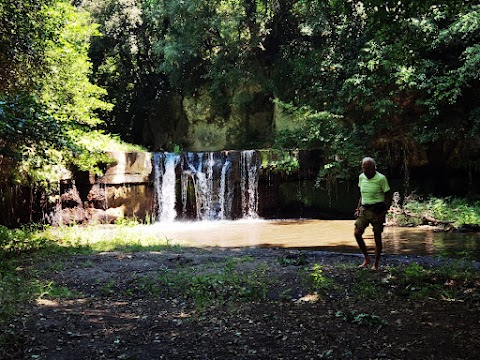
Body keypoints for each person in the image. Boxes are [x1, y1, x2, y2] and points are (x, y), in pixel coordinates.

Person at [354, 157, 392, 270]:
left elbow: (388, 196)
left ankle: (376, 264)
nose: (365, 171)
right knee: (357, 233)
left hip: (377, 210)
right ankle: (366, 258)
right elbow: (362, 195)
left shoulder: (381, 179)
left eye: (368, 168)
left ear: (373, 168)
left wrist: (384, 212)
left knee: (377, 237)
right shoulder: (361, 177)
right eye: (363, 168)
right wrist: (357, 208)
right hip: (364, 210)